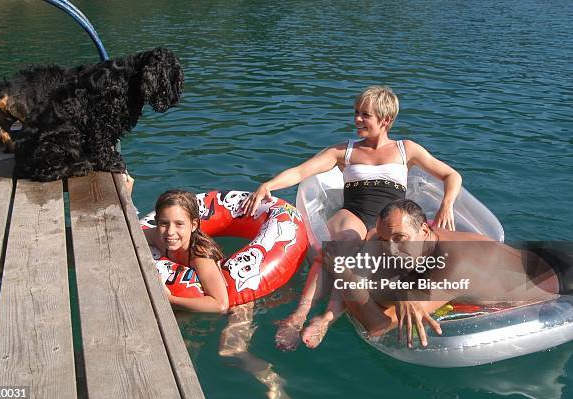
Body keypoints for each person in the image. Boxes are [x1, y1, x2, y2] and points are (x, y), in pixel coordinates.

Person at [241, 85, 462, 350]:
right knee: (346, 241)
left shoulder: (407, 149)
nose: (357, 119)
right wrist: (270, 184)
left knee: (365, 250)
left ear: (385, 120)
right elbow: (301, 172)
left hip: (387, 223)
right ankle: (299, 314)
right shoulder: (344, 151)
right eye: (356, 113)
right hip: (353, 213)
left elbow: (452, 175)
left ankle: (326, 318)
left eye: (364, 115)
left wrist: (446, 204)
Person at [338, 199, 564, 348]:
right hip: (540, 260)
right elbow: (373, 232)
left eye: (399, 239)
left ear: (424, 230)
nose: (390, 250)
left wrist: (345, 277)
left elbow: (376, 326)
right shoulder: (423, 235)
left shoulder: (451, 267)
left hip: (555, 291)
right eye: (385, 241)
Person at [144, 189, 229, 313]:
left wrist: (168, 299)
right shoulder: (157, 237)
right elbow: (127, 238)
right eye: (164, 223)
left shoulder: (200, 255)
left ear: (194, 225)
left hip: (232, 299)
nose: (170, 232)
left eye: (179, 224)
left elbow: (220, 304)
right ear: (156, 222)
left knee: (234, 328)